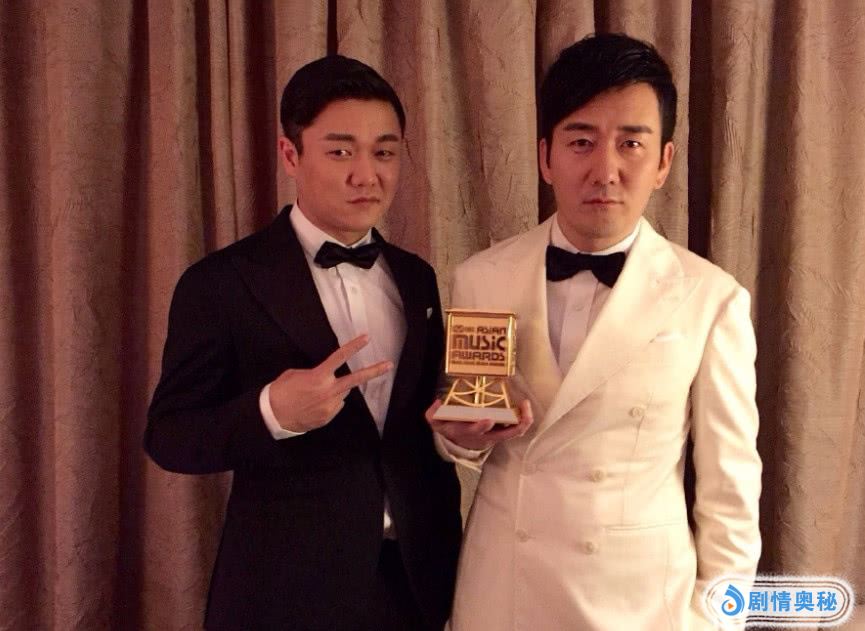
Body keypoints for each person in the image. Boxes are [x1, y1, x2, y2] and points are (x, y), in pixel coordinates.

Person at [428, 33, 762, 630]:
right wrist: (459, 439)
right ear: (545, 157)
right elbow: (469, 429)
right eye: (581, 141)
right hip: (505, 591)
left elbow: (730, 493)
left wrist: (718, 619)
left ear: (663, 162)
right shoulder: (480, 277)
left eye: (631, 143)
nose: (604, 170)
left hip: (640, 602)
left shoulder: (711, 298)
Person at [146, 55, 462, 631]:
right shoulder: (221, 282)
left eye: (384, 152)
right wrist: (273, 412)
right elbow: (170, 437)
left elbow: (417, 425)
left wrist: (463, 430)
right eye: (340, 152)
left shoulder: (417, 277)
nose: (366, 175)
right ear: (290, 155)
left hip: (414, 585)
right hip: (283, 593)